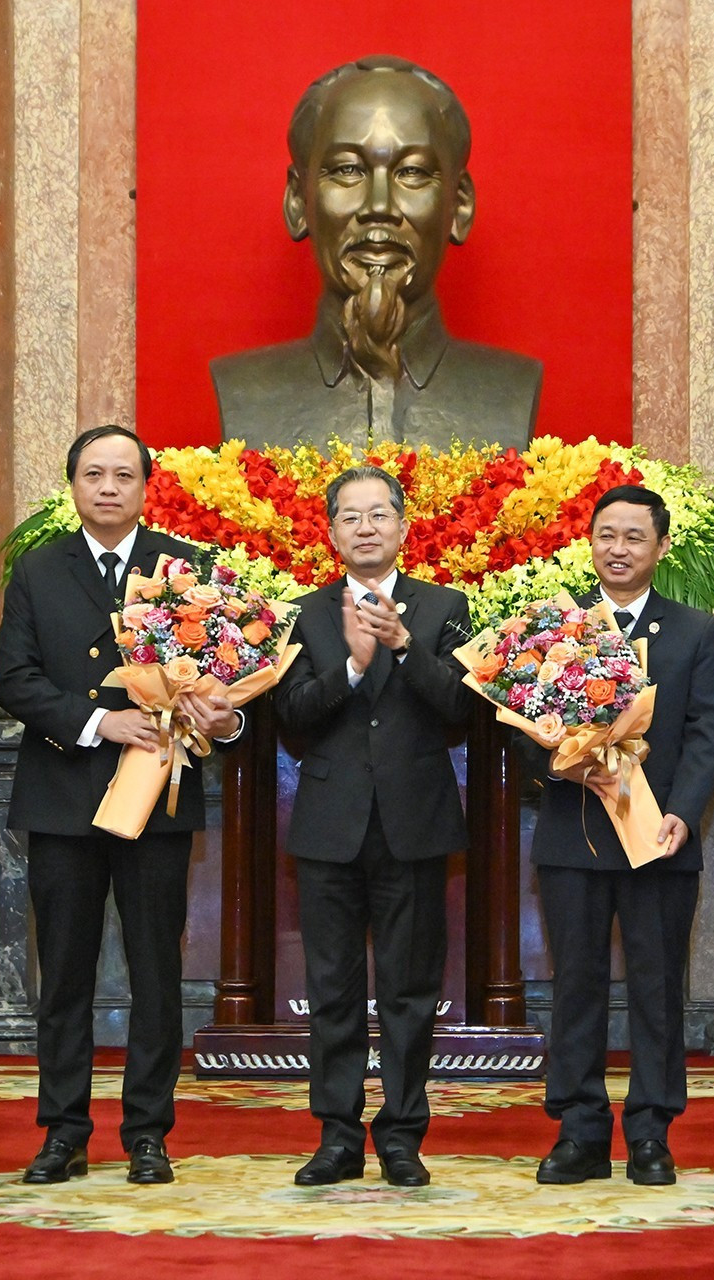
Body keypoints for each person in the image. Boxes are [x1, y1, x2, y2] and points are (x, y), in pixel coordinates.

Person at [0, 425, 241, 1186]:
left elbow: (227, 678)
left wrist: (222, 715)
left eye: (123, 475)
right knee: (63, 975)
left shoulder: (188, 569)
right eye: (93, 474)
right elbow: (16, 678)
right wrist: (101, 720)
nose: (108, 487)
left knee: (154, 973)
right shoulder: (37, 570)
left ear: (146, 487)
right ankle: (62, 1131)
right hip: (65, 798)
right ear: (72, 486)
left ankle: (147, 1133)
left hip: (159, 800)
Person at [273, 464, 476, 1188]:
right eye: (350, 517)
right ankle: (335, 1136)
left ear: (402, 526)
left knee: (409, 989)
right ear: (331, 533)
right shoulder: (302, 613)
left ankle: (401, 1136)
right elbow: (289, 719)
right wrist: (352, 671)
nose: (365, 527)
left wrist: (399, 648)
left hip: (416, 823)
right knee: (331, 987)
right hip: (328, 826)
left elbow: (463, 709)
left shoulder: (445, 606)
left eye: (378, 515)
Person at [530, 486, 714, 1188]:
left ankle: (650, 1131)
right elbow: (519, 726)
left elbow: (708, 732)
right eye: (606, 534)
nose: (618, 548)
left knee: (656, 986)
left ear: (661, 547)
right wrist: (563, 762)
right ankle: (579, 1130)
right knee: (575, 986)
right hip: (573, 836)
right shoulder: (557, 628)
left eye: (633, 537)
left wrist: (684, 809)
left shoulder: (696, 631)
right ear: (590, 541)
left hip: (660, 839)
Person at [211, 55, 540, 450]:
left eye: (412, 172)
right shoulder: (245, 391)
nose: (379, 206)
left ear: (459, 205)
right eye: (348, 170)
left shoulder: (512, 391)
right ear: (299, 201)